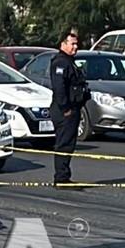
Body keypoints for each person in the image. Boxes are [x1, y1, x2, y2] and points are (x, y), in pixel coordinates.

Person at [48, 28, 88, 187]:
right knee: (64, 144)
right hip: (64, 111)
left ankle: (64, 176)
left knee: (69, 144)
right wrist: (66, 109)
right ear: (63, 44)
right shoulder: (60, 62)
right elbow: (59, 88)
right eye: (72, 44)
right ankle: (61, 178)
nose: (75, 47)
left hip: (72, 108)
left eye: (76, 44)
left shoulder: (69, 62)